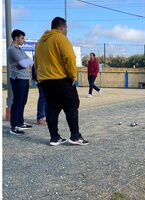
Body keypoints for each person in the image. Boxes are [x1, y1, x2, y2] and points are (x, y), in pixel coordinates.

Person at [35, 17, 89, 146]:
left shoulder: (40, 42)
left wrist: (39, 77)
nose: (66, 30)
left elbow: (36, 61)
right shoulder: (60, 38)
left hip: (45, 81)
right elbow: (70, 57)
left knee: (52, 108)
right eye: (66, 28)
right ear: (62, 27)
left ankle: (55, 137)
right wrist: (73, 76)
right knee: (72, 105)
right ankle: (75, 136)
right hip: (60, 79)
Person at [7, 29, 33, 135]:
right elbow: (23, 64)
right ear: (16, 38)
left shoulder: (20, 49)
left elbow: (31, 60)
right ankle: (14, 126)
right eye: (22, 38)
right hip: (18, 78)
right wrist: (24, 63)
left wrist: (25, 62)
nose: (24, 40)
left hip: (24, 78)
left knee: (23, 101)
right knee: (17, 102)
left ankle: (20, 122)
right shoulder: (12, 49)